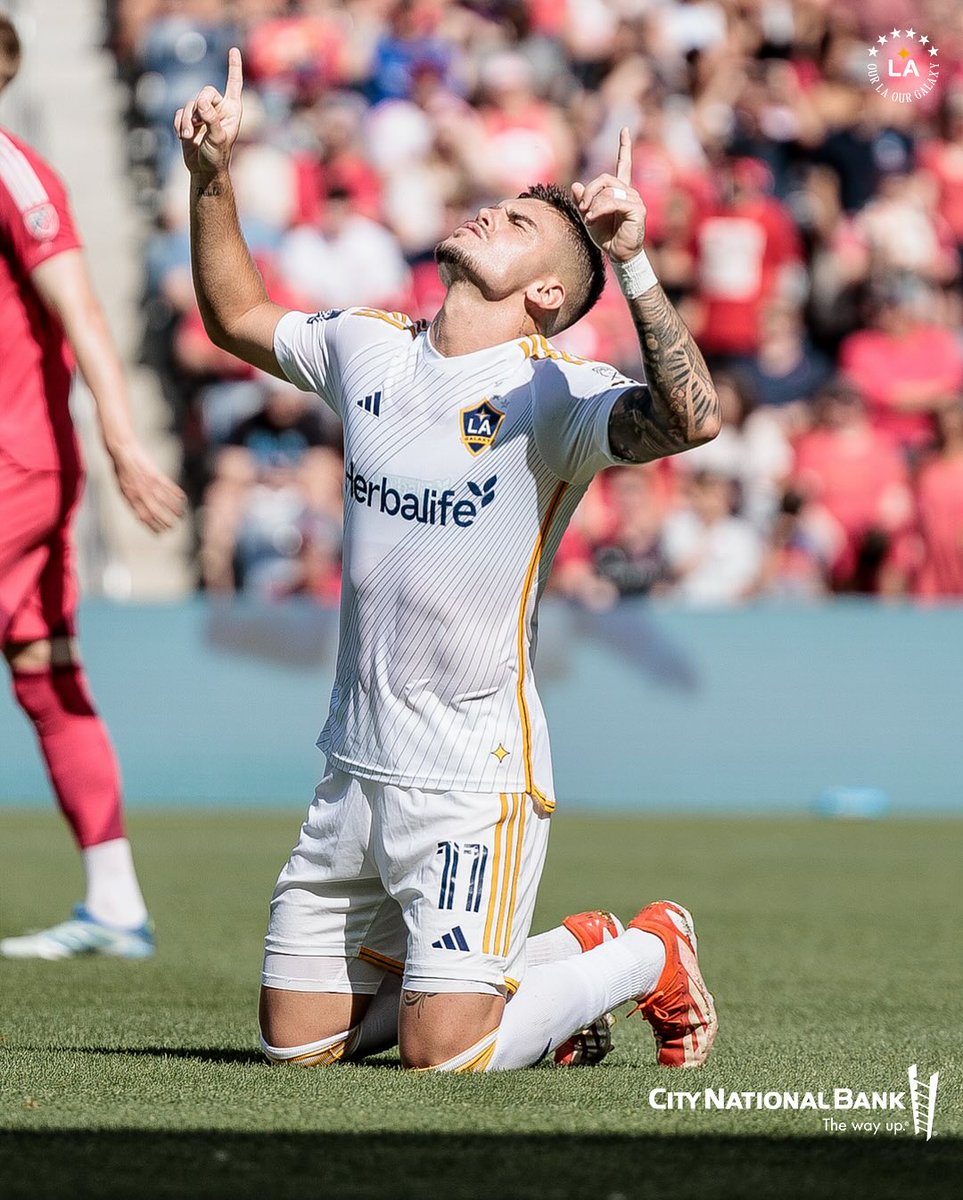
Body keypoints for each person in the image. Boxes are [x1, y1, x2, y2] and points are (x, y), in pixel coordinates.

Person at [177, 50, 720, 1072]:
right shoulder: (368, 345)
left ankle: (646, 952)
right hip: (355, 765)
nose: (487, 215)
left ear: (548, 290)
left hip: (474, 777)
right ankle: (549, 966)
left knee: (444, 1057)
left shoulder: (559, 396)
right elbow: (236, 318)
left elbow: (691, 419)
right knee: (296, 1047)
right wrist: (212, 178)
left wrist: (635, 265)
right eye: (494, 206)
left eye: (517, 223)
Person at [0, 17, 184, 959]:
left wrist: (120, 439)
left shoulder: (14, 171)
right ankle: (114, 902)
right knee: (45, 670)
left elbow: (81, 308)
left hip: (16, 462)